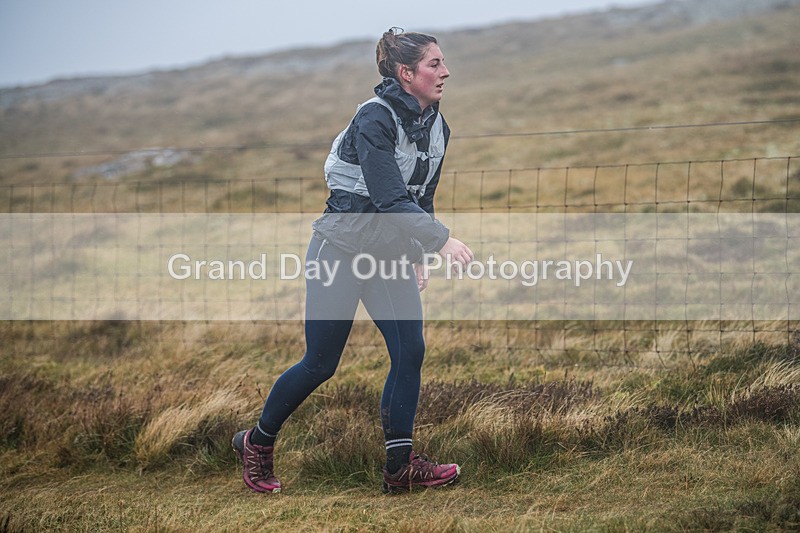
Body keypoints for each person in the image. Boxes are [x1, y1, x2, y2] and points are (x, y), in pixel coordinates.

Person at [232, 27, 473, 494]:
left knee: (410, 353)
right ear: (406, 73)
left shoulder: (438, 128)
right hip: (339, 252)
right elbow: (386, 196)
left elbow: (420, 198)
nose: (445, 71)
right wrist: (442, 242)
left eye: (443, 63)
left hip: (387, 258)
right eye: (434, 64)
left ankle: (399, 469)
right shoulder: (374, 119)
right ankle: (256, 445)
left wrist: (419, 252)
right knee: (321, 363)